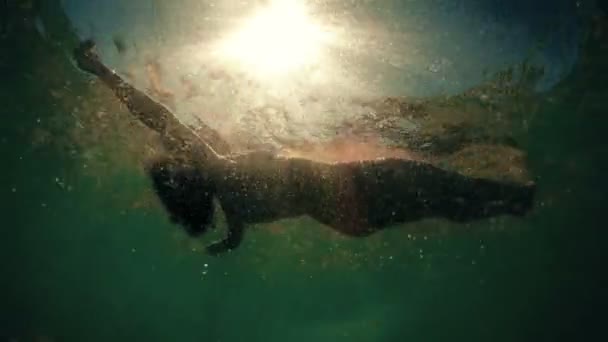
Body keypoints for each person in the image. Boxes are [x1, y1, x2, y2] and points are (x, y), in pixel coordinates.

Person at [73, 40, 535, 255]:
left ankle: (512, 203)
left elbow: (235, 235)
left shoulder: (232, 205)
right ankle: (512, 198)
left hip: (347, 219)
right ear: (188, 179)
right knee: (437, 186)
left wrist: (226, 243)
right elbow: (160, 116)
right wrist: (103, 72)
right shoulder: (215, 168)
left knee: (439, 205)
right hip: (350, 186)